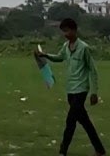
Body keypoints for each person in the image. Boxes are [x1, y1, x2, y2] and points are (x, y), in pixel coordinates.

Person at [36, 18, 105, 156]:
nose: (65, 34)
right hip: (70, 89)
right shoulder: (66, 47)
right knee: (85, 122)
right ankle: (100, 150)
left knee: (70, 121)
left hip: (81, 89)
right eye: (63, 31)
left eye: (67, 30)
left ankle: (63, 151)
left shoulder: (84, 48)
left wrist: (94, 92)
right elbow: (60, 57)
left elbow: (93, 70)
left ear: (74, 30)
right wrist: (45, 55)